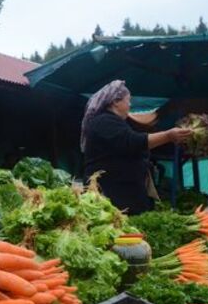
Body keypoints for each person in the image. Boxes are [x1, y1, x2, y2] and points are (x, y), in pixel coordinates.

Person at [81, 80, 192, 215]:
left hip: (121, 196)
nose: (130, 105)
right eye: (128, 101)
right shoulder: (104, 121)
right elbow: (133, 142)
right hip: (112, 197)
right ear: (116, 102)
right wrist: (168, 136)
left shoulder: (114, 122)